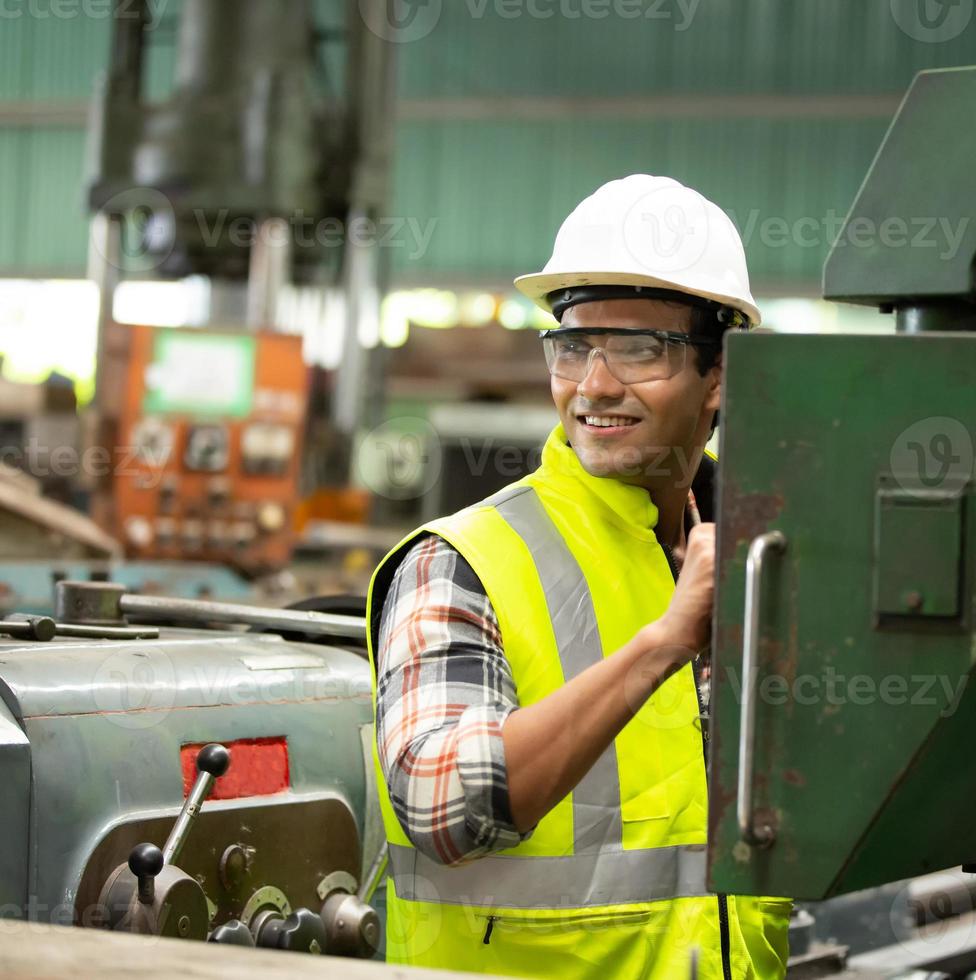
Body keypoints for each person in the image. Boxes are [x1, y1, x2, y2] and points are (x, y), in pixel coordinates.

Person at [366, 174, 792, 978]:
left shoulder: (762, 546)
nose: (593, 385)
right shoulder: (463, 560)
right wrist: (667, 642)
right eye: (572, 347)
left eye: (638, 349)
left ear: (722, 374)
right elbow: (438, 806)